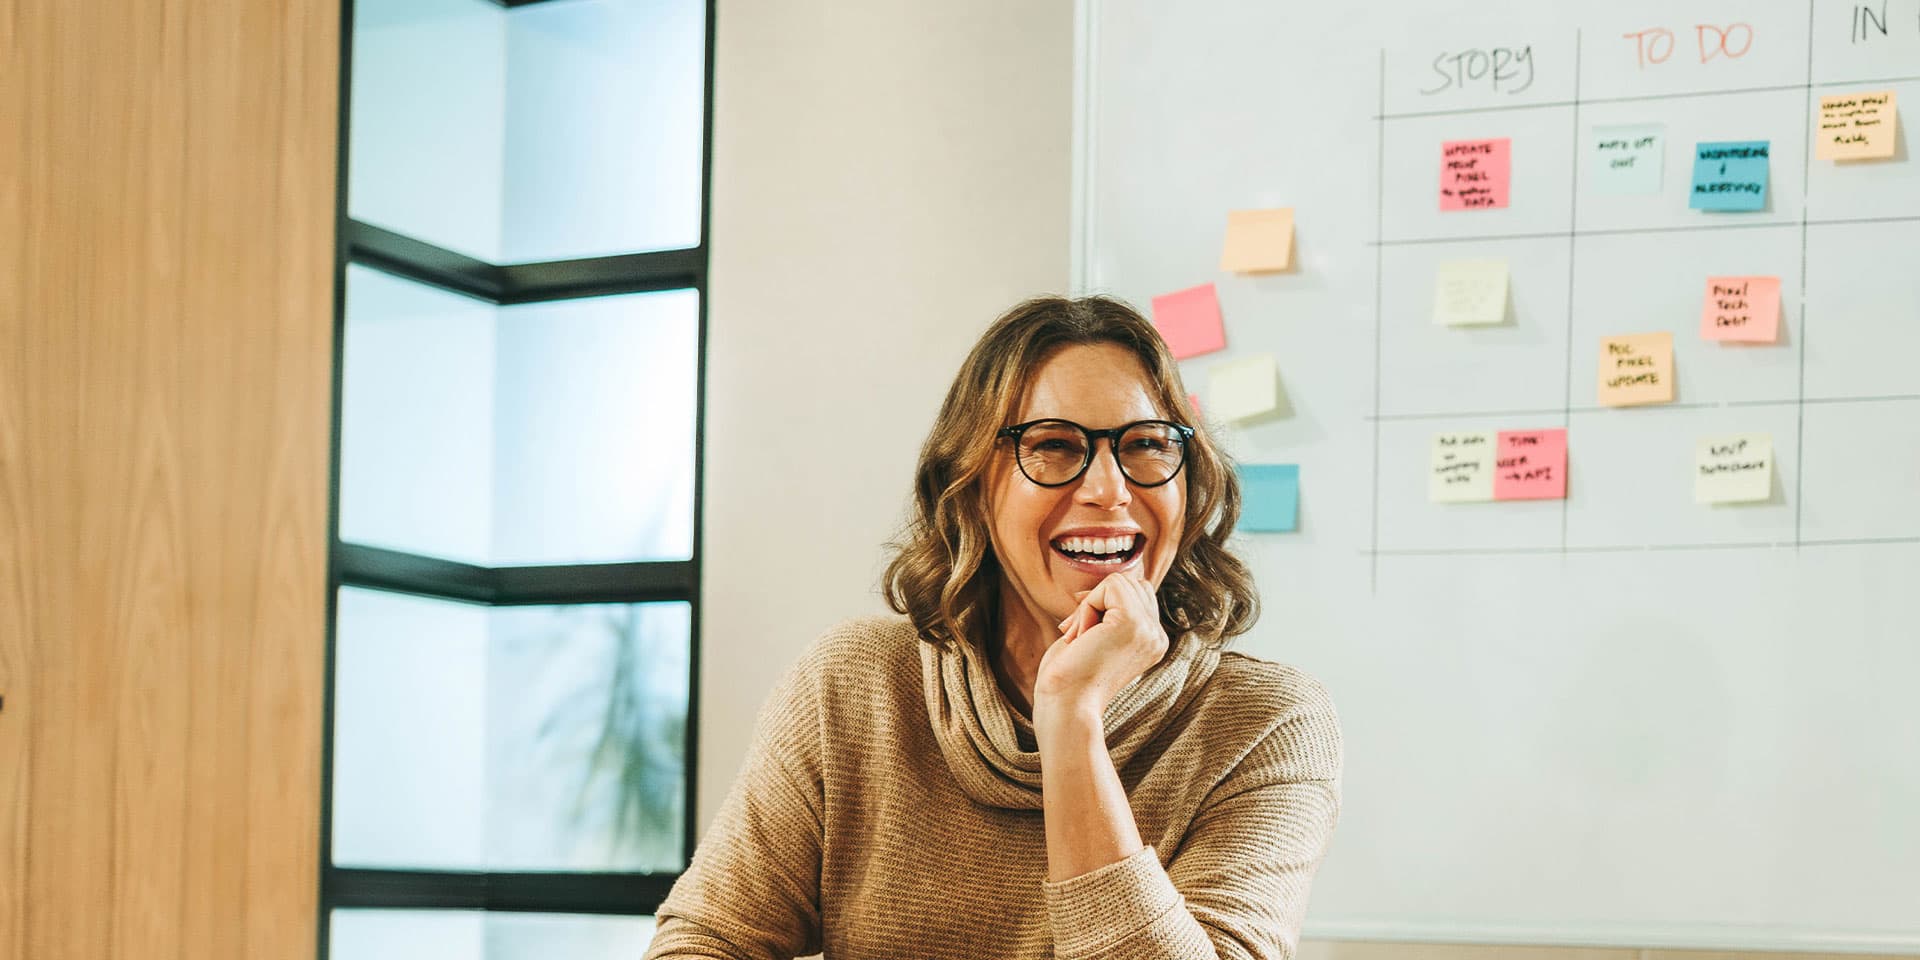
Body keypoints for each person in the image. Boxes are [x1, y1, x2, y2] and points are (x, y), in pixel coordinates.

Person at [642, 296, 1342, 960]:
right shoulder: (853, 684)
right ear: (972, 485)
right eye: (1054, 445)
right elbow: (703, 942)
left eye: (1147, 443)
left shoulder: (1267, 723)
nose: (1109, 489)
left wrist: (1072, 716)